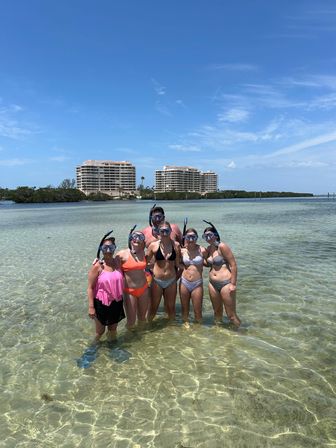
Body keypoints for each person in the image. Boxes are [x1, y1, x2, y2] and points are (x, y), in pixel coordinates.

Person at [203, 221, 241, 328]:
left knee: (231, 315)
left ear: (215, 235)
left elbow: (233, 265)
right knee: (217, 312)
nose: (208, 238)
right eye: (205, 236)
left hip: (226, 284)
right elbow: (207, 264)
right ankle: (218, 332)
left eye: (210, 235)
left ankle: (240, 334)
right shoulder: (209, 248)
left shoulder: (222, 246)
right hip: (212, 284)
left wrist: (233, 284)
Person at [87, 235, 125, 341]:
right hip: (101, 303)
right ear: (101, 249)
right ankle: (93, 349)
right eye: (105, 248)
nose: (108, 251)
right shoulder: (97, 266)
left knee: (113, 330)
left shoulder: (118, 262)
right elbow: (90, 288)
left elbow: (132, 255)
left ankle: (112, 347)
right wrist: (91, 307)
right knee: (100, 332)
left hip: (117, 301)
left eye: (111, 248)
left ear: (114, 248)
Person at [146, 221, 181, 321]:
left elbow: (178, 264)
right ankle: (147, 328)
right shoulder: (153, 246)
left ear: (170, 231)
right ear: (158, 232)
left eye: (167, 230)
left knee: (171, 308)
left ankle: (171, 330)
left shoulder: (176, 245)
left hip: (171, 280)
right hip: (157, 280)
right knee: (153, 307)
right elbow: (144, 262)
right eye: (162, 231)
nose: (164, 233)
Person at [116, 227, 150, 329]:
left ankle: (142, 340)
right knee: (131, 321)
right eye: (135, 236)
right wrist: (99, 262)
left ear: (143, 241)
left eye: (140, 237)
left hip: (143, 289)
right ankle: (130, 340)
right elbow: (112, 268)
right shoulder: (121, 254)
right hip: (129, 291)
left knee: (142, 318)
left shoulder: (144, 253)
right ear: (131, 239)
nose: (137, 239)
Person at [179, 228, 207, 325]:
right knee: (184, 310)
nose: (191, 239)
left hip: (197, 283)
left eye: (193, 237)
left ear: (196, 238)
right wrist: (183, 267)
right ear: (185, 237)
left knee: (198, 311)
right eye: (188, 237)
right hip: (184, 282)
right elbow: (176, 263)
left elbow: (209, 261)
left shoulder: (202, 250)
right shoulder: (182, 251)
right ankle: (185, 329)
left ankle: (198, 330)